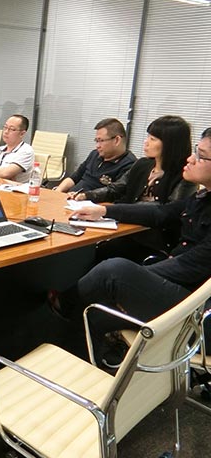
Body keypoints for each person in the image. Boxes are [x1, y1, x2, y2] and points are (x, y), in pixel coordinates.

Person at [50, 132, 211, 367]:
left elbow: (191, 265)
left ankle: (61, 303)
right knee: (92, 315)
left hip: (198, 311)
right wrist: (104, 210)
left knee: (115, 271)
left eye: (201, 156)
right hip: (183, 292)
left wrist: (135, 279)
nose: (191, 159)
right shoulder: (202, 197)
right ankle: (85, 369)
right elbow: (160, 213)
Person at [73, 115, 195, 205]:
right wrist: (87, 196)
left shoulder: (185, 176)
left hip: (150, 231)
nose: (146, 142)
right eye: (147, 137)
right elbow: (115, 189)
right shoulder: (142, 164)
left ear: (170, 144)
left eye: (152, 139)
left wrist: (113, 210)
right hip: (126, 224)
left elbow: (166, 212)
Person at [55, 118, 136, 194]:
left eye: (101, 141)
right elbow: (74, 178)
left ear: (117, 140)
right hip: (71, 198)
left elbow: (114, 195)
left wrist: (82, 197)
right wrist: (58, 191)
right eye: (96, 141)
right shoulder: (94, 154)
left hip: (91, 202)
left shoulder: (129, 165)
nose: (97, 146)